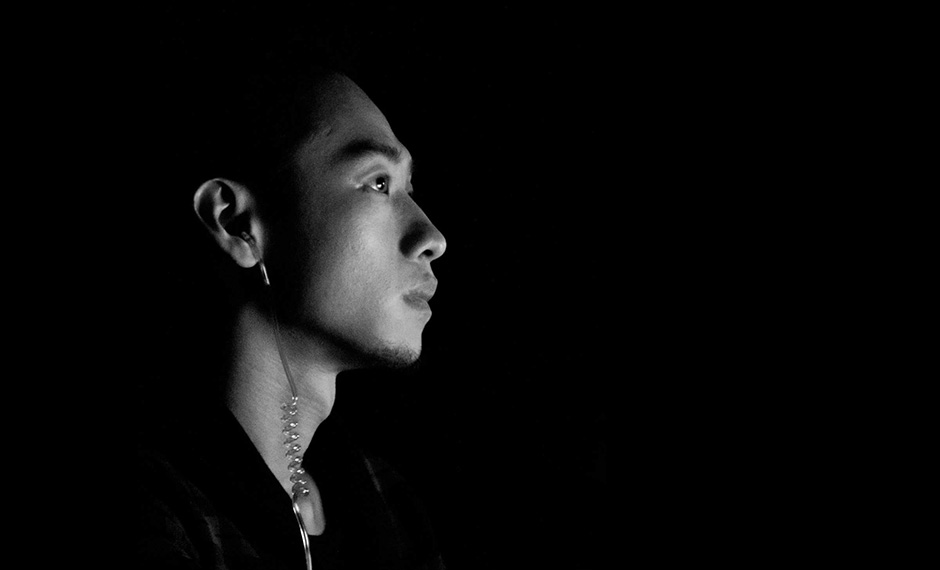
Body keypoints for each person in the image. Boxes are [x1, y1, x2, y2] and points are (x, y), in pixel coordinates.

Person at [136, 62, 448, 569]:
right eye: (377, 183)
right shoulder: (146, 517)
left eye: (408, 188)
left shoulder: (392, 507)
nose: (432, 238)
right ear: (237, 222)